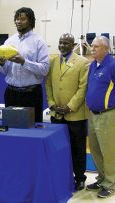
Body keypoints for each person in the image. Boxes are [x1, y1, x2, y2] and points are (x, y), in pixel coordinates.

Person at [86, 36, 115, 198]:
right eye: (92, 46)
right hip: (93, 115)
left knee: (109, 151)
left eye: (96, 46)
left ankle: (111, 185)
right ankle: (101, 179)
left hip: (108, 115)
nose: (92, 49)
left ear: (106, 49)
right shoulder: (93, 65)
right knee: (95, 149)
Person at [45, 33, 89, 191]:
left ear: (73, 45)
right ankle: (62, 176)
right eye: (60, 43)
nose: (62, 46)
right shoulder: (53, 61)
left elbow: (83, 88)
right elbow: (48, 84)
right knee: (59, 148)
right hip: (56, 114)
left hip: (75, 114)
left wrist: (70, 106)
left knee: (77, 148)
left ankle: (80, 178)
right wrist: (51, 104)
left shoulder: (83, 63)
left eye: (66, 43)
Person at [0, 7, 49, 122]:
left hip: (31, 94)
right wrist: (2, 64)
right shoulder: (9, 41)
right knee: (11, 129)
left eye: (22, 19)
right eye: (16, 19)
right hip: (11, 93)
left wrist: (24, 62)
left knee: (33, 130)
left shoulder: (39, 42)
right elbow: (4, 71)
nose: (18, 22)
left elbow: (45, 69)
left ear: (30, 21)